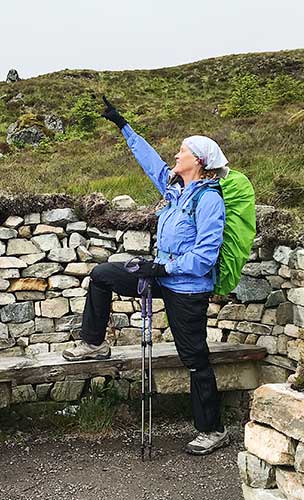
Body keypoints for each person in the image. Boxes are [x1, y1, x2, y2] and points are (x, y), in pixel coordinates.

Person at [62, 96, 230, 455]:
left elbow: (204, 257)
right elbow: (150, 160)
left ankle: (212, 429)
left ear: (198, 161)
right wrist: (123, 126)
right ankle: (93, 343)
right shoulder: (173, 190)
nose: (176, 154)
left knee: (194, 356)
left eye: (182, 151)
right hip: (162, 275)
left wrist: (164, 267)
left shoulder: (209, 200)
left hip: (187, 286)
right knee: (103, 274)